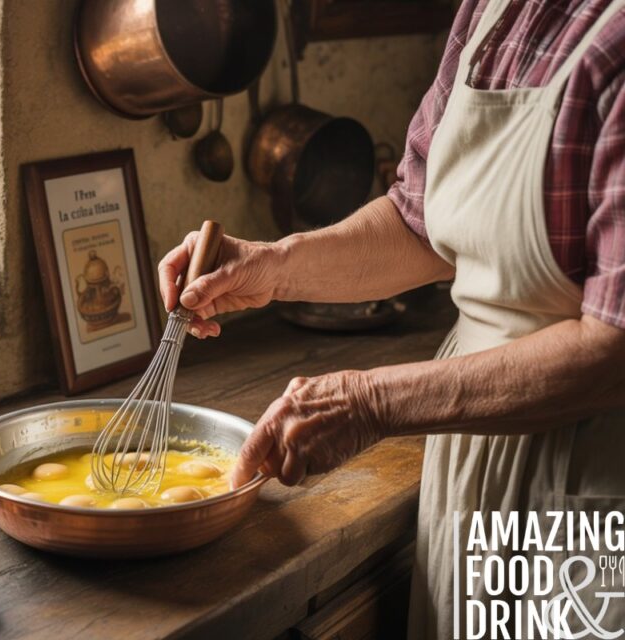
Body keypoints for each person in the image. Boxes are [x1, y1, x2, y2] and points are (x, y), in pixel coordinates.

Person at [158, 0, 625, 637]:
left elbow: (612, 355)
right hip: (469, 453)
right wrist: (270, 266)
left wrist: (372, 402)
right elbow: (418, 220)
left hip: (592, 475)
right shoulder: (491, 13)